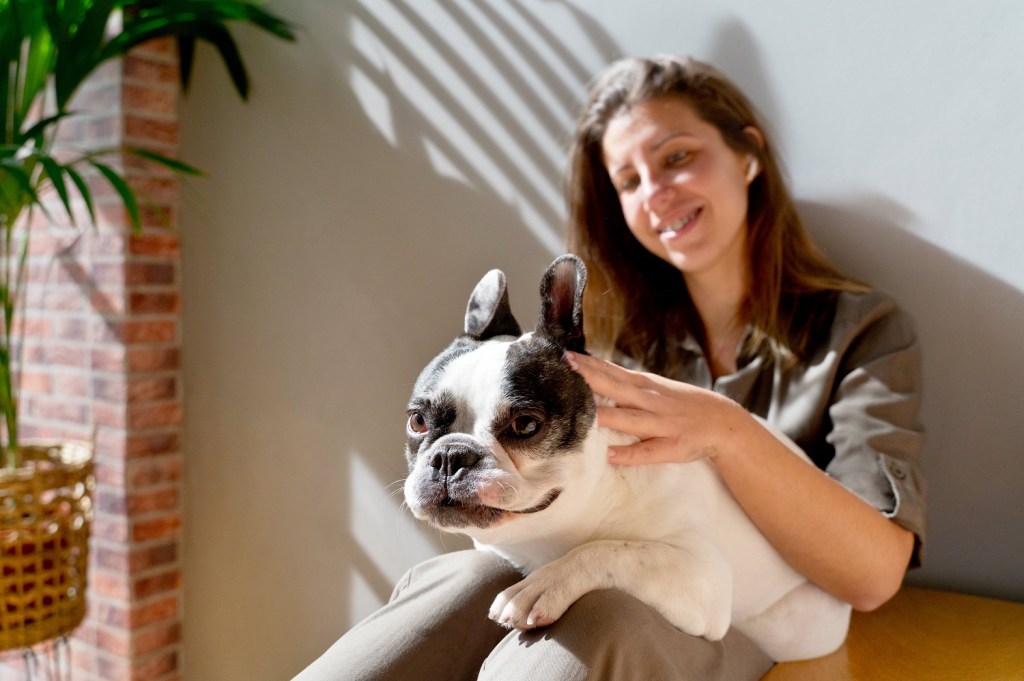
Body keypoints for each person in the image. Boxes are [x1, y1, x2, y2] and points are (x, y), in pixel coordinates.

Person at [294, 54, 925, 681]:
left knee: (599, 626)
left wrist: (726, 431)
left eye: (677, 157)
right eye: (628, 180)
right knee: (454, 584)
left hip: (754, 614)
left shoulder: (859, 331)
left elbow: (873, 576)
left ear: (748, 155)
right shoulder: (597, 345)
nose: (657, 193)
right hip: (566, 559)